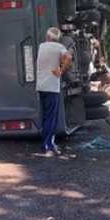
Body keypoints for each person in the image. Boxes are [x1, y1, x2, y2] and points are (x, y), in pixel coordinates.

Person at [36, 27, 73, 157]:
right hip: (52, 87)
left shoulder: (41, 46)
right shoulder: (59, 47)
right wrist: (61, 70)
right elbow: (69, 57)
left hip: (41, 86)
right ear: (57, 38)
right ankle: (49, 145)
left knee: (46, 116)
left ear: (47, 37)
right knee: (52, 118)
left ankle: (45, 143)